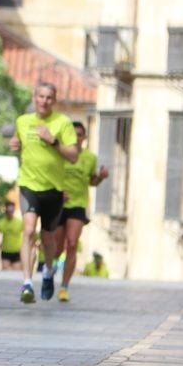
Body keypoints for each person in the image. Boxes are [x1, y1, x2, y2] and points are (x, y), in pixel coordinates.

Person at [9, 82, 78, 304]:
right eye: (40, 96)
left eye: (49, 97)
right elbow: (18, 142)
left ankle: (48, 271)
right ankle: (27, 283)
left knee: (49, 238)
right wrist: (15, 144)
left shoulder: (62, 123)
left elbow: (73, 156)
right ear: (34, 97)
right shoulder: (22, 121)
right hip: (29, 184)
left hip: (54, 189)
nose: (44, 101)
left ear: (54, 101)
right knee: (28, 231)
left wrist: (53, 141)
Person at [53, 121, 108, 301]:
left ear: (84, 138)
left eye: (80, 134)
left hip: (78, 204)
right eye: (73, 134)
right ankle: (49, 270)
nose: (76, 138)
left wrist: (100, 177)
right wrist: (57, 193)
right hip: (58, 205)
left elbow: (92, 181)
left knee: (72, 244)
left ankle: (64, 287)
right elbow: (48, 177)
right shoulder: (60, 154)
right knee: (57, 248)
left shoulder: (89, 158)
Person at [0, 201, 23, 271]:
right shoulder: (1, 223)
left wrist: (23, 248)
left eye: (12, 211)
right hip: (5, 251)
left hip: (17, 251)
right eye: (8, 211)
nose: (10, 213)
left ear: (14, 211)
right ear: (6, 210)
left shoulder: (19, 223)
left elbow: (26, 236)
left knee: (16, 271)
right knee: (6, 271)